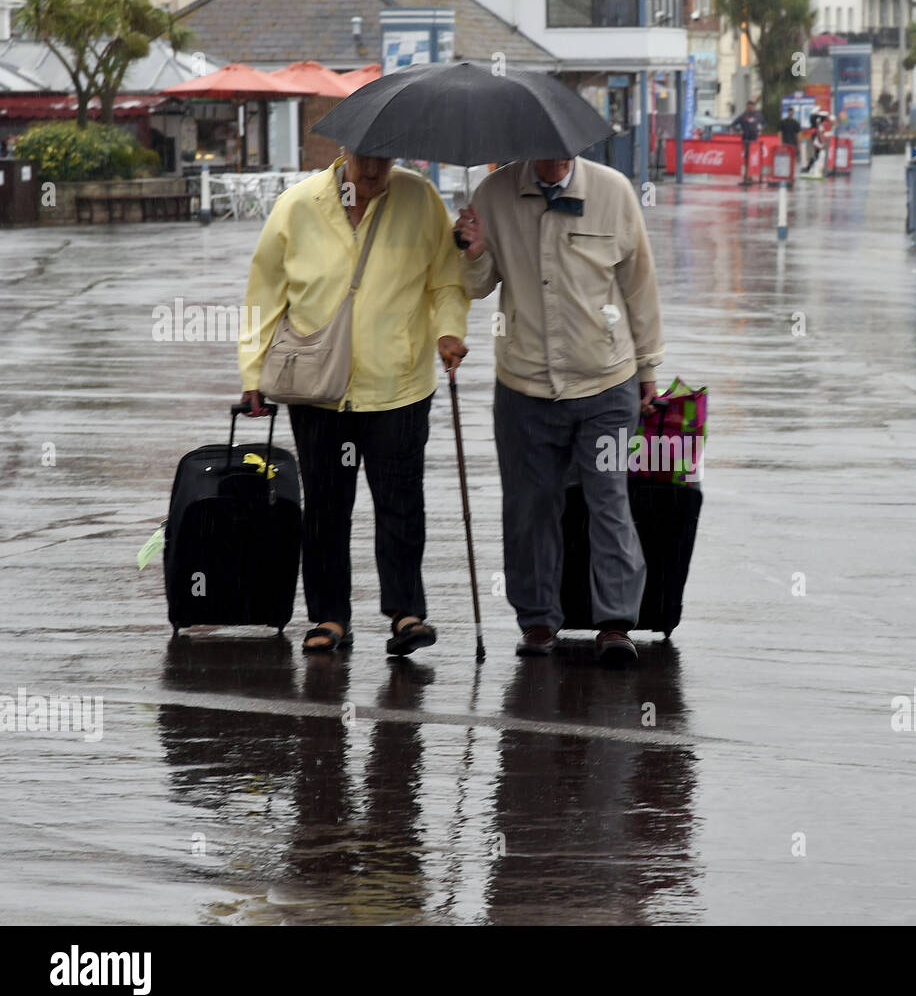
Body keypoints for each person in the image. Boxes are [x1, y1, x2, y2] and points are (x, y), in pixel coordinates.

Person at [239, 149, 469, 656]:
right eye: (365, 160)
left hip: (399, 384)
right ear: (344, 153)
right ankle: (328, 617)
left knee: (401, 503)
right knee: (324, 507)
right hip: (321, 388)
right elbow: (265, 292)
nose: (373, 172)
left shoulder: (419, 198)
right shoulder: (298, 206)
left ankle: (406, 613)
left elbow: (447, 277)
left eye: (383, 161)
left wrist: (450, 330)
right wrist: (253, 371)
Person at [452, 156, 665, 665]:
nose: (556, 159)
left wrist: (649, 367)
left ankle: (614, 623)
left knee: (608, 499)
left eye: (565, 150)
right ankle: (539, 621)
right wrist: (474, 252)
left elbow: (639, 283)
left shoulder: (614, 192)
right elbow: (476, 286)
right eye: (544, 150)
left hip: (607, 382)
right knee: (530, 507)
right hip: (525, 385)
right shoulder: (494, 195)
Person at [730, 99, 765, 184]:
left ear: (754, 107)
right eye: (749, 106)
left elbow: (764, 123)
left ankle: (751, 175)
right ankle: (747, 176)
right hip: (746, 140)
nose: (751, 108)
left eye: (752, 106)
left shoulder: (758, 115)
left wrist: (761, 128)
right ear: (747, 107)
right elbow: (733, 124)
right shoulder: (743, 116)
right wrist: (739, 130)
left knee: (753, 158)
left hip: (755, 141)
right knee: (747, 157)